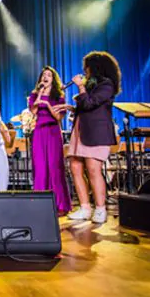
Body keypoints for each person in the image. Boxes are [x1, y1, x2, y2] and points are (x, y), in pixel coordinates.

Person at [59, 51, 121, 224]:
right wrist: (73, 108)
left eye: (86, 67)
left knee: (93, 169)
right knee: (75, 167)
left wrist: (80, 87)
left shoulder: (107, 85)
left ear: (95, 67)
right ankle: (85, 207)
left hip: (96, 133)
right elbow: (86, 107)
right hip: (81, 130)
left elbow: (90, 103)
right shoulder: (92, 85)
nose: (84, 71)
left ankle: (100, 209)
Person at [28, 66, 71, 215]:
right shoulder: (34, 95)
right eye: (43, 75)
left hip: (53, 131)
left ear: (54, 79)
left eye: (49, 75)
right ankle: (40, 204)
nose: (46, 77)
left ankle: (60, 205)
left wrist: (47, 105)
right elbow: (33, 111)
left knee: (54, 167)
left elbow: (58, 118)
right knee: (40, 167)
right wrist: (40, 93)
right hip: (39, 132)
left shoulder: (59, 97)